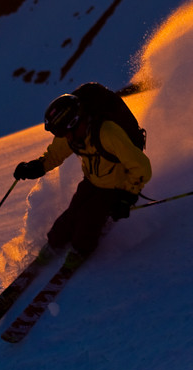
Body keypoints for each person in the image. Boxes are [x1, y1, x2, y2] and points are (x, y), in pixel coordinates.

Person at [13, 90, 152, 259]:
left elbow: (142, 166)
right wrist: (36, 167)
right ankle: (55, 244)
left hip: (115, 187)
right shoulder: (72, 134)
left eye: (62, 132)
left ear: (74, 122)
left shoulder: (107, 133)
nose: (63, 137)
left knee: (87, 222)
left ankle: (80, 251)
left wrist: (127, 196)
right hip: (92, 182)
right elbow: (55, 154)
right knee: (67, 221)